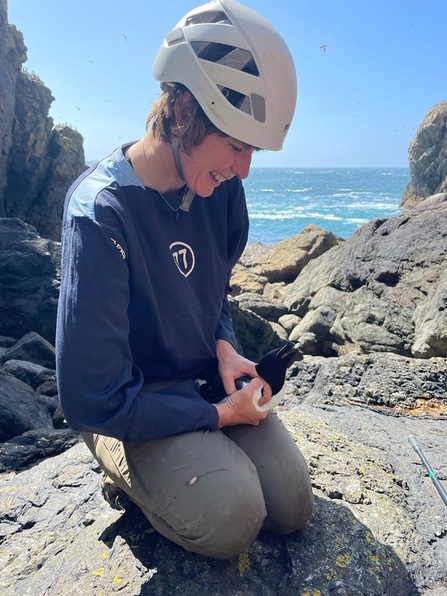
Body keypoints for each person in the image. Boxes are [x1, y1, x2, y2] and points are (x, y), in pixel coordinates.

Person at [56, 0, 313, 559]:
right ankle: (116, 462)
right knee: (232, 518)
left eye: (253, 152)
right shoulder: (101, 215)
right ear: (181, 113)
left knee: (292, 505)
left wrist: (223, 345)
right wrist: (221, 416)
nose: (243, 169)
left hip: (196, 381)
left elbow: (213, 289)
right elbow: (90, 396)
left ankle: (196, 449)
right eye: (236, 145)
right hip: (130, 403)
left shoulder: (221, 192)